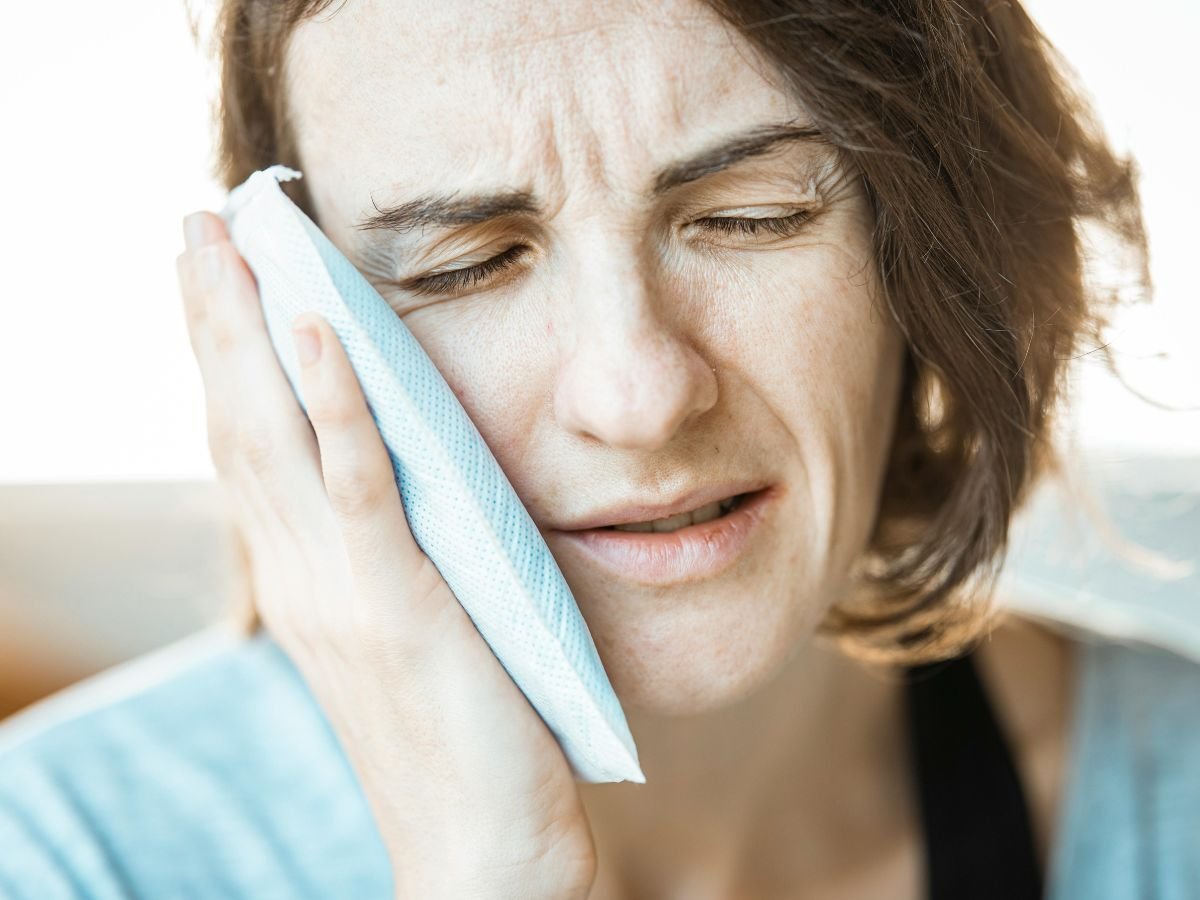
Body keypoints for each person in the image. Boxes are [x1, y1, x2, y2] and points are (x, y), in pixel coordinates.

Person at [1, 0, 1197, 897]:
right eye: (468, 263)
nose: (638, 396)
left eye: (752, 217)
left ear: (930, 252)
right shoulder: (62, 856)